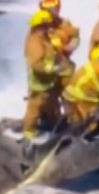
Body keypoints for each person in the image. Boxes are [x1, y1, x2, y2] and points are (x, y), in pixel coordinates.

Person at [22, 9, 67, 141]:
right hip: (39, 82)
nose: (49, 27)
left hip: (48, 80)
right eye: (46, 25)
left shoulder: (43, 37)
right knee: (35, 107)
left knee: (51, 102)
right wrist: (52, 68)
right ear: (39, 26)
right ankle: (29, 132)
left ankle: (55, 124)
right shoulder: (35, 42)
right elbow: (36, 64)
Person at [38, 0, 80, 92]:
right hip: (45, 71)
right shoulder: (38, 25)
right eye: (47, 9)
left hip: (64, 68)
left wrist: (71, 45)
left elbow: (75, 37)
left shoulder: (65, 23)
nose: (51, 11)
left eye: (54, 8)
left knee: (70, 94)